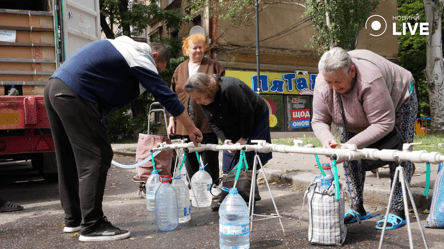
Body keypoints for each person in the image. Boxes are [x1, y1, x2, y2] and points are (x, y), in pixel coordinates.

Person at [44, 36, 202, 242]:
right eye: (159, 69)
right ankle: (92, 225)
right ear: (154, 56)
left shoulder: (121, 48)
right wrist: (190, 127)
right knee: (97, 156)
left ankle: (73, 218)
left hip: (55, 87)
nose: (156, 74)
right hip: (75, 92)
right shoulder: (140, 55)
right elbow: (165, 95)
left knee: (69, 157)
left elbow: (103, 95)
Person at [312, 47, 418, 230]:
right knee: (348, 156)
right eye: (329, 82)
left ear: (351, 71)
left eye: (338, 81)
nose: (334, 87)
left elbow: (384, 123)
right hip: (354, 115)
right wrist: (327, 141)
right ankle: (357, 207)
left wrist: (350, 145)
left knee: (400, 153)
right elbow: (319, 120)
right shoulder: (323, 82)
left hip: (400, 99)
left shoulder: (370, 79)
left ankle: (398, 210)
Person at [184, 73, 273, 211]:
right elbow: (213, 122)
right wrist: (226, 141)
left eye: (198, 97)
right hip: (231, 122)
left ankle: (246, 199)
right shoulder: (202, 100)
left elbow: (247, 113)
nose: (197, 102)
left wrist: (243, 139)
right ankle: (226, 198)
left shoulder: (229, 88)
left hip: (254, 118)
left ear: (207, 90)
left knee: (248, 156)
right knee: (229, 158)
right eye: (195, 99)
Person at [168, 34, 225, 184]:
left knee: (210, 161)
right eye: (195, 48)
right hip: (184, 124)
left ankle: (214, 190)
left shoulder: (213, 66)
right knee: (190, 162)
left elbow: (221, 91)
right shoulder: (179, 69)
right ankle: (195, 193)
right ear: (186, 49)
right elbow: (172, 96)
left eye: (201, 47)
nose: (198, 51)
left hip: (207, 123)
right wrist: (171, 119)